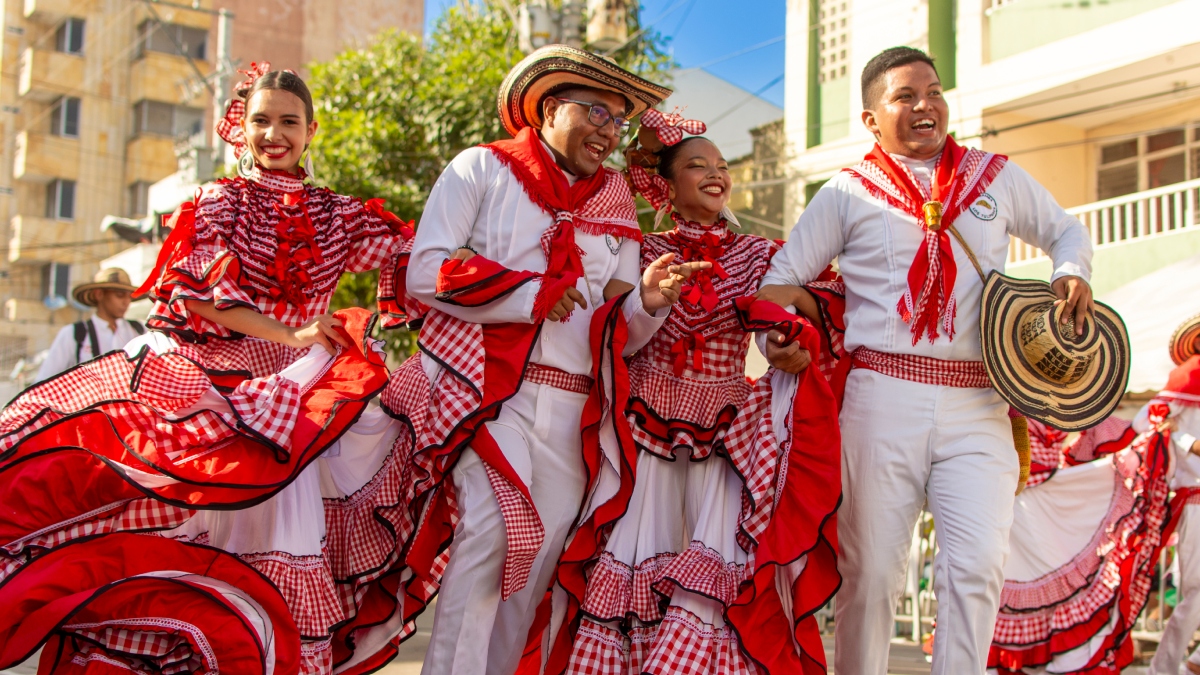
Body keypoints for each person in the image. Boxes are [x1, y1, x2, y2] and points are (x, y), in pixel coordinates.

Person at [0, 64, 415, 674]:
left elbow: (416, 252)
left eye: (289, 122)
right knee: (198, 548)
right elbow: (200, 299)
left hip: (295, 413)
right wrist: (293, 333)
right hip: (222, 401)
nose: (274, 134)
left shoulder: (337, 214)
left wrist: (480, 260)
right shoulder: (219, 202)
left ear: (311, 130)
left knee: (291, 546)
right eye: (261, 121)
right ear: (241, 129)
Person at [754, 46, 1094, 675]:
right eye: (905, 96)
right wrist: (777, 338)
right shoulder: (847, 191)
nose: (924, 105)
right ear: (871, 119)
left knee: (977, 568)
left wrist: (1070, 272)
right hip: (882, 399)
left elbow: (1066, 231)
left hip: (981, 401)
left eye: (933, 91)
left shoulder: (994, 177)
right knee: (872, 574)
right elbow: (780, 281)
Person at [376, 45, 704, 675]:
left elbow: (618, 330)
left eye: (619, 121)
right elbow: (424, 271)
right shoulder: (482, 167)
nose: (610, 132)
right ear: (551, 108)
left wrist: (649, 301)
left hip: (577, 413)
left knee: (534, 573)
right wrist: (531, 294)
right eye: (597, 113)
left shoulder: (615, 200)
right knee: (491, 538)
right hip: (491, 393)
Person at [557, 115, 842, 675]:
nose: (716, 175)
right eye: (697, 165)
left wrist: (781, 342)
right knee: (638, 550)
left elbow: (772, 319)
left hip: (726, 423)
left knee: (716, 560)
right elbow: (617, 337)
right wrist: (646, 301)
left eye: (722, 166)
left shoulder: (758, 254)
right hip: (644, 421)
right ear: (666, 185)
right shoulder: (640, 249)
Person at [1145, 314, 1200, 675]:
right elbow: (1159, 424)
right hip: (1195, 497)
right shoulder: (1185, 378)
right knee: (1197, 590)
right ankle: (1163, 668)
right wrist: (1190, 443)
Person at [36, 267, 145, 381]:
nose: (126, 302)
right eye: (120, 295)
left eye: (129, 296)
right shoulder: (74, 334)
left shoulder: (139, 331)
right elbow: (44, 380)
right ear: (99, 294)